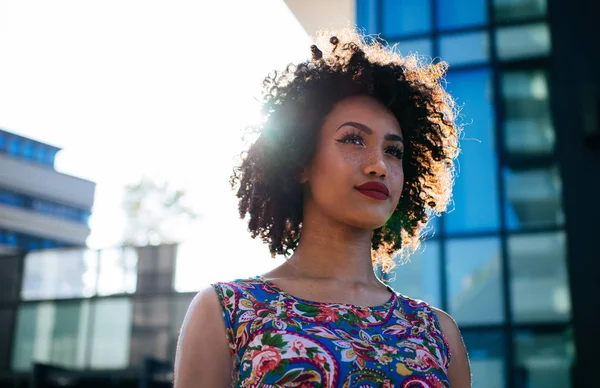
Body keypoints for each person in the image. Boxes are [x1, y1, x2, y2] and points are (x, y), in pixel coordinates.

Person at [174, 28, 471, 387]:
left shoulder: (438, 333)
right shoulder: (227, 311)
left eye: (394, 151)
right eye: (353, 139)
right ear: (301, 161)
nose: (378, 164)